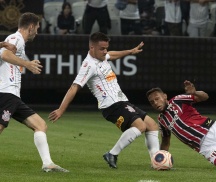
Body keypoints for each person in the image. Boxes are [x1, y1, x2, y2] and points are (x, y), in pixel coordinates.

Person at [48, 32, 160, 169]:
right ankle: (112, 154)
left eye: (106, 48)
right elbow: (73, 88)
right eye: (102, 49)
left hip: (122, 101)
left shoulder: (102, 57)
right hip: (111, 106)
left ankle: (156, 161)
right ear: (91, 48)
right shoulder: (89, 65)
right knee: (140, 126)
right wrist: (61, 109)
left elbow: (111, 55)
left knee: (152, 125)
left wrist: (130, 51)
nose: (105, 51)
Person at [0, 12, 69, 172]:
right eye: (37, 28)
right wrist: (28, 64)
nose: (37, 32)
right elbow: (5, 54)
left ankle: (48, 164)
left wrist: (28, 62)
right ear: (31, 27)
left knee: (40, 125)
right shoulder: (15, 38)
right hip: (6, 92)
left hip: (13, 96)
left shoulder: (19, 44)